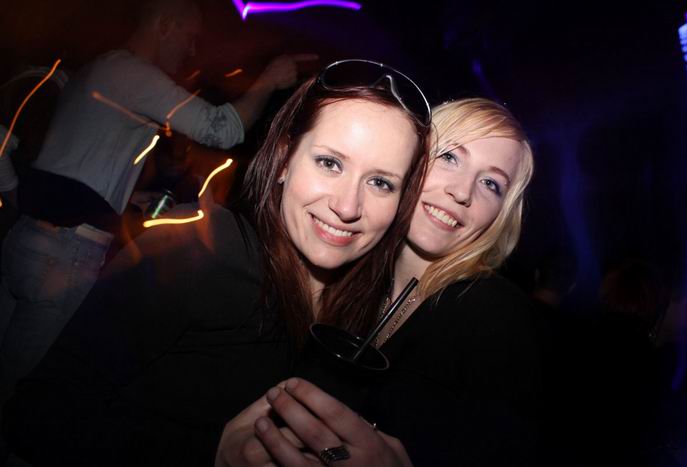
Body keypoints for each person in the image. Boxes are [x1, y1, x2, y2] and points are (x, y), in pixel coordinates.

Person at [2, 59, 431, 467]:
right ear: (284, 160)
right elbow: (36, 417)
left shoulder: (359, 314)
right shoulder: (198, 252)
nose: (348, 206)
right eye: (330, 163)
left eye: (380, 182)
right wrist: (210, 454)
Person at [0, 0, 314, 409]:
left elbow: (77, 158)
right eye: (190, 37)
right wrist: (268, 81)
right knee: (24, 395)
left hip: (26, 240)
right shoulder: (130, 72)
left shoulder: (99, 68)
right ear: (166, 24)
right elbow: (220, 129)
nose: (191, 50)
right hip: (64, 256)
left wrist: (127, 196)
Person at [217, 97, 540, 467]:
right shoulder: (347, 275)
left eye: (491, 183)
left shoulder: (496, 316)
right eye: (450, 157)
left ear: (501, 214)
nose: (462, 192)